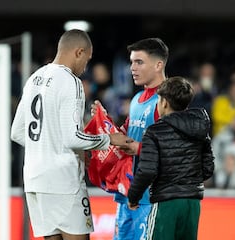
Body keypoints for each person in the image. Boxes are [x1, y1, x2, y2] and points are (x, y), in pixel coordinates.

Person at [11, 29, 130, 240]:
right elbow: (72, 138)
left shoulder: (34, 78)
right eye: (87, 59)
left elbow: (17, 132)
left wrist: (47, 148)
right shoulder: (70, 81)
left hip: (34, 180)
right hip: (63, 182)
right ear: (79, 52)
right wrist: (110, 139)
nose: (86, 67)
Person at [91, 38, 169, 240]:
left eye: (139, 62)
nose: (132, 68)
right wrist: (104, 121)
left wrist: (139, 148)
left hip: (151, 197)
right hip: (127, 194)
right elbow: (125, 136)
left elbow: (174, 149)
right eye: (132, 62)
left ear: (158, 64)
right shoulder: (135, 100)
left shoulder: (167, 102)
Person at [127, 77, 215, 240]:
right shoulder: (200, 128)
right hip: (193, 203)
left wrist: (133, 196)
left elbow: (147, 170)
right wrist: (188, 181)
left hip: (165, 202)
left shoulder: (154, 132)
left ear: (164, 102)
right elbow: (208, 167)